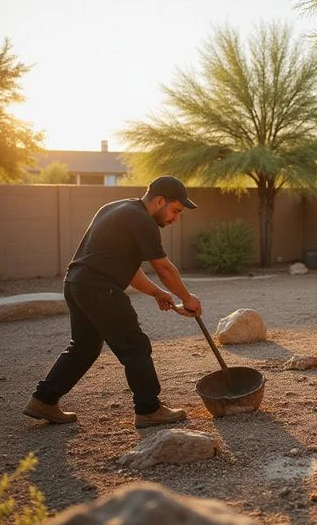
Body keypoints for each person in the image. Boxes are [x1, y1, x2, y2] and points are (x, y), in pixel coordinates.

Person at [23, 175, 203, 428]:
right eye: (175, 210)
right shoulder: (142, 220)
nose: (175, 218)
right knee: (135, 347)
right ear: (160, 201)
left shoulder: (115, 208)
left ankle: (44, 400)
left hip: (76, 284)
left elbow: (129, 269)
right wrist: (187, 298)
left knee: (84, 347)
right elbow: (163, 267)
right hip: (100, 289)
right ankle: (149, 409)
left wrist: (157, 293)